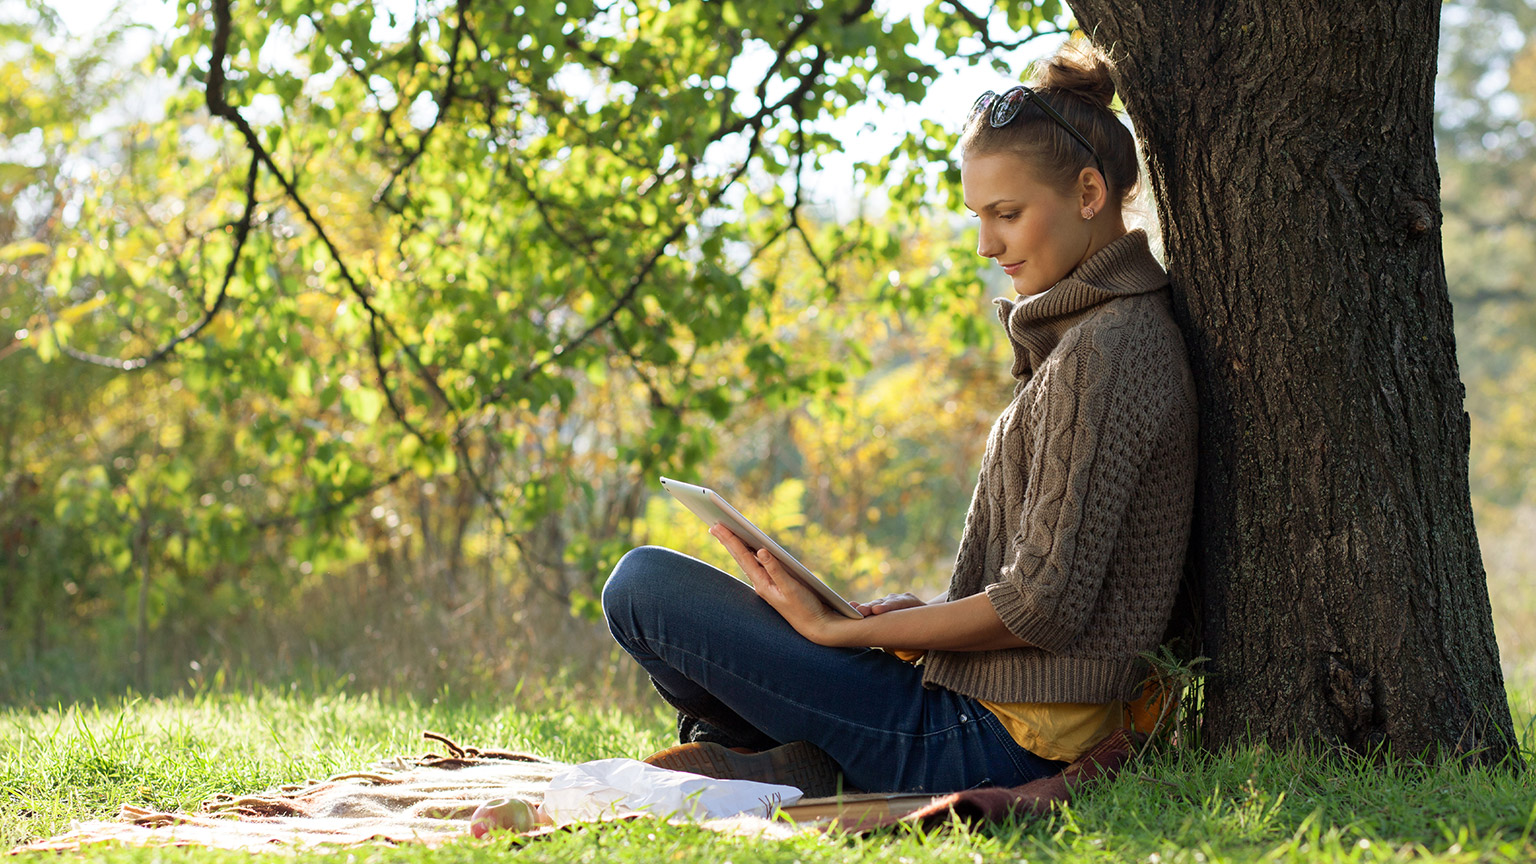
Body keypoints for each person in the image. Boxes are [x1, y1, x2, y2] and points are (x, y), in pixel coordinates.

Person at [601, 40, 1197, 796]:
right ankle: (771, 755)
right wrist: (929, 619)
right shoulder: (1094, 336)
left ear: (1088, 193)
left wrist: (845, 632)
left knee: (644, 590)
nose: (987, 245)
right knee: (685, 594)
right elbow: (1057, 582)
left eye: (1006, 215)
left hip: (992, 742)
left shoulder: (1109, 348)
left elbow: (1040, 604)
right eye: (979, 216)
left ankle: (758, 752)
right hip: (984, 712)